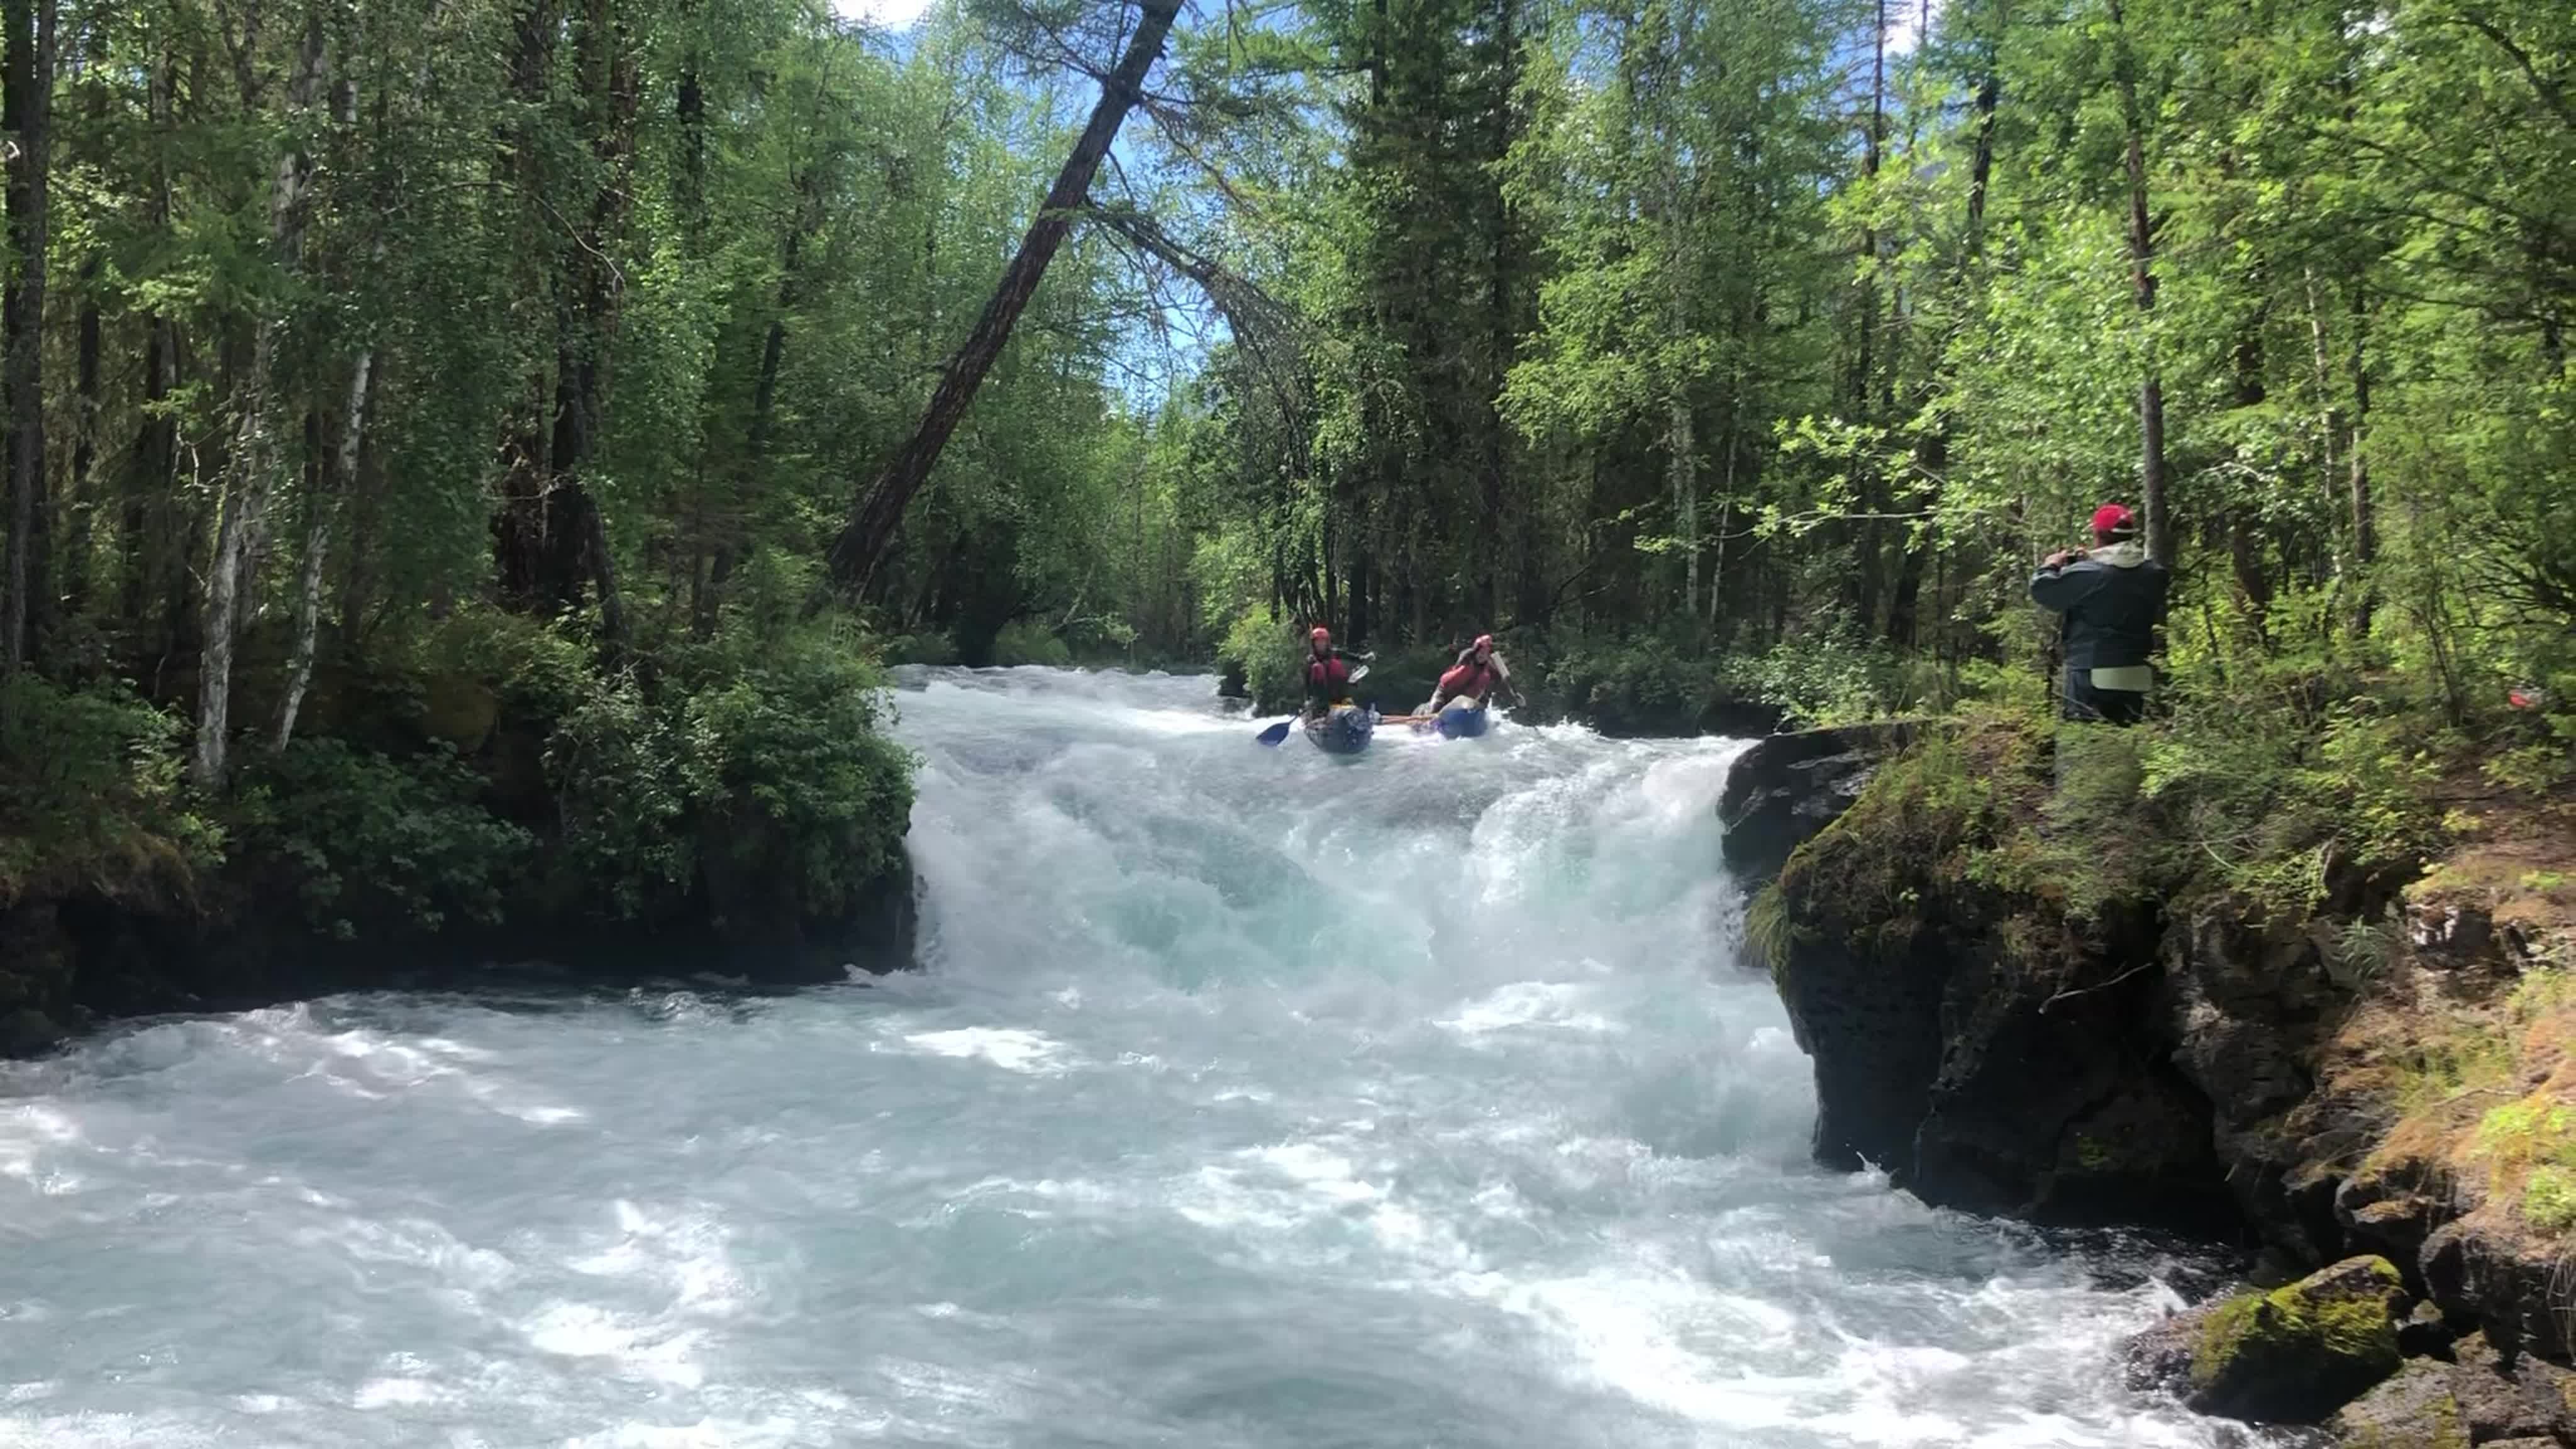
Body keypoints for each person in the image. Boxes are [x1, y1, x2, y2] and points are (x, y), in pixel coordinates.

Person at [2030, 503, 2168, 724]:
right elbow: (2120, 581)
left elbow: (2045, 591)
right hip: (2135, 671)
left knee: (2085, 740)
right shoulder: (2155, 574)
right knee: (2126, 741)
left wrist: (2050, 567)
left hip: (2090, 670)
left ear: (2098, 535)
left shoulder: (2089, 573)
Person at [1423, 634, 1514, 716]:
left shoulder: (1490, 668)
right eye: (1481, 651)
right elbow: (1459, 668)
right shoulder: (1467, 656)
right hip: (1445, 693)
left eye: (1486, 653)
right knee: (1434, 711)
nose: (1482, 655)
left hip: (1465, 700)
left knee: (1483, 699)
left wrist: (1515, 695)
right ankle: (1428, 717)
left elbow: (1504, 681)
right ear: (1476, 651)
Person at [1302, 626, 1373, 721]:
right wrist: (1309, 700)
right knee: (1317, 668)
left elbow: (1352, 657)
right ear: (1313, 644)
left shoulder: (1334, 653)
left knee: (1335, 664)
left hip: (1339, 693)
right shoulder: (1311, 660)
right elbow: (1307, 682)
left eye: (1323, 641)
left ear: (1327, 643)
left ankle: (1344, 700)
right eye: (1318, 641)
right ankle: (1321, 710)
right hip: (1321, 697)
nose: (1320, 644)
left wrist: (1363, 659)